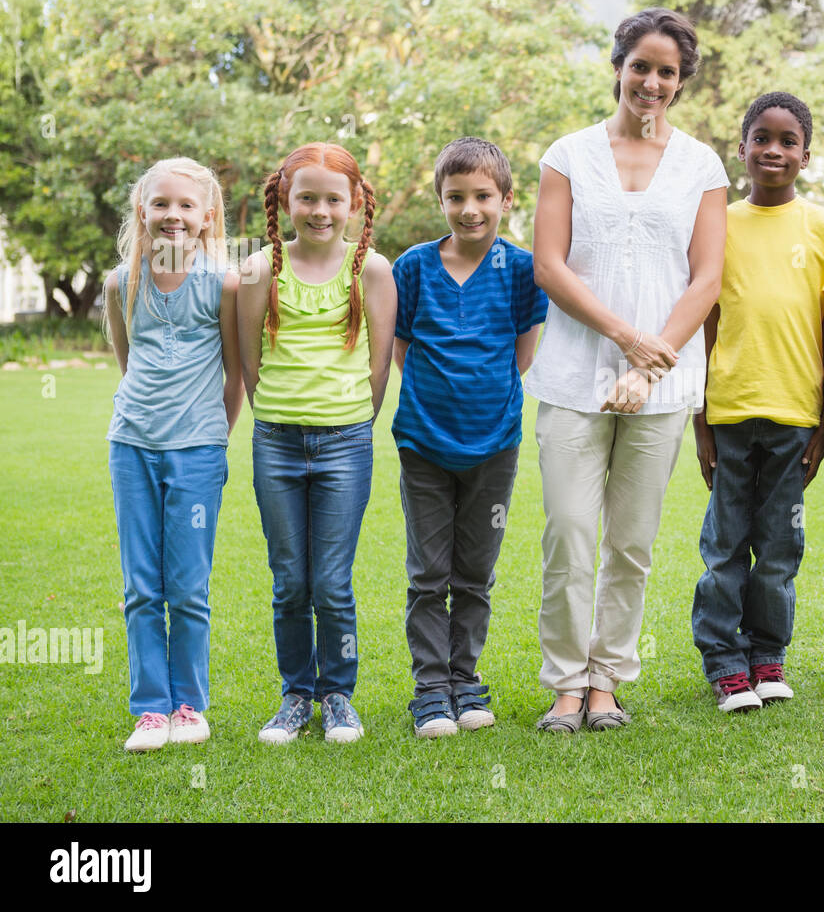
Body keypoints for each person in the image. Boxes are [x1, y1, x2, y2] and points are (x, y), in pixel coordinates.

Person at [528, 7, 727, 732]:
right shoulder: (569, 154)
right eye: (639, 65)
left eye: (666, 71)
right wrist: (623, 340)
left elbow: (705, 279)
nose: (651, 81)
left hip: (666, 383)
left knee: (631, 540)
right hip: (575, 374)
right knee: (571, 532)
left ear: (681, 82)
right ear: (617, 66)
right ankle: (565, 681)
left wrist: (649, 365)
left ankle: (607, 679)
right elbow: (549, 265)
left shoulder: (701, 164)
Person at [237, 142, 396, 743]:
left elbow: (378, 369)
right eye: (307, 197)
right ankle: (295, 695)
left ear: (354, 203)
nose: (320, 210)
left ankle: (338, 696)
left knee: (331, 582)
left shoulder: (371, 270)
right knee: (290, 581)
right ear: (285, 199)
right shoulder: (258, 270)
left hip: (345, 444)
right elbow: (249, 362)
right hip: (276, 443)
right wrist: (279, 415)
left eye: (334, 198)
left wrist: (348, 419)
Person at [691, 92, 824, 712]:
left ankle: (767, 657)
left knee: (780, 549)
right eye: (762, 138)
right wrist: (701, 425)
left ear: (806, 156)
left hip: (796, 418)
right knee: (724, 547)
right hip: (728, 415)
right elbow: (705, 325)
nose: (773, 151)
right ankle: (725, 663)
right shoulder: (718, 223)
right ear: (742, 148)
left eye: (787, 142)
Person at [390, 138, 547, 737]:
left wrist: (487, 397)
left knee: (475, 573)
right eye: (455, 197)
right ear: (441, 201)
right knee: (429, 573)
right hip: (424, 444)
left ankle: (465, 678)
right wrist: (438, 400)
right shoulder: (413, 267)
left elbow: (521, 351)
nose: (469, 208)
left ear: (506, 199)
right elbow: (403, 347)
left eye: (483, 196)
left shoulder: (522, 268)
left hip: (496, 444)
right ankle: (431, 687)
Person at [104, 157, 243, 752]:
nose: (173, 216)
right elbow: (125, 359)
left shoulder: (224, 282)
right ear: (143, 210)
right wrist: (148, 418)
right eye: (161, 204)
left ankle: (188, 705)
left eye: (186, 205)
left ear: (207, 216)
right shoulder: (121, 283)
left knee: (187, 586)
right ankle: (150, 711)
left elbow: (235, 374)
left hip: (198, 450)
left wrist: (212, 434)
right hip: (132, 445)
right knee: (141, 586)